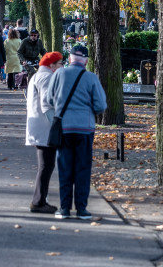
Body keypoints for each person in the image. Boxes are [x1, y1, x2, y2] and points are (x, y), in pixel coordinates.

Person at [48, 44, 107, 220]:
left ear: (69, 59)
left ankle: (64, 208)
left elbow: (48, 98)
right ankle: (82, 209)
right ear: (86, 61)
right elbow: (101, 105)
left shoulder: (59, 74)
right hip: (85, 129)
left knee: (65, 167)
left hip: (64, 128)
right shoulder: (91, 78)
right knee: (83, 168)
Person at [26, 51, 64, 213]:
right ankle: (39, 201)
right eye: (60, 63)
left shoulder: (38, 76)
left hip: (39, 126)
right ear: (52, 65)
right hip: (45, 128)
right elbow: (47, 105)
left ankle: (40, 199)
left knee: (46, 165)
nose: (62, 66)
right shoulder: (47, 78)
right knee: (46, 165)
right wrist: (57, 125)